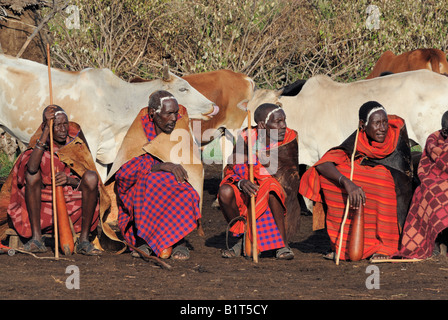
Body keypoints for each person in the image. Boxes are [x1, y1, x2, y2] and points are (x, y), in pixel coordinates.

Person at [299, 101, 414, 262]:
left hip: (392, 185)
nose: (383, 128)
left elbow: (404, 174)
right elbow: (324, 163)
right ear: (363, 125)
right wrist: (347, 182)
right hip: (361, 180)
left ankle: (385, 246)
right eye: (377, 123)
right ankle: (344, 244)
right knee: (327, 177)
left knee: (381, 179)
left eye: (384, 122)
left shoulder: (395, 136)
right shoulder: (358, 140)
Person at [6, 105, 109, 255]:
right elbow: (32, 168)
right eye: (57, 125)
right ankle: (36, 239)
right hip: (45, 201)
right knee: (31, 175)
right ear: (46, 126)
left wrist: (68, 180)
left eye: (65, 124)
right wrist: (47, 129)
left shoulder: (75, 144)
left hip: (73, 199)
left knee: (92, 177)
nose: (63, 129)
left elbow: (86, 177)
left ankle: (84, 241)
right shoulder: (41, 146)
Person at [114, 90, 201, 260]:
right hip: (142, 188)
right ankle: (144, 239)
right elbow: (123, 174)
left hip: (173, 186)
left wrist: (174, 170)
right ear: (153, 114)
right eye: (169, 113)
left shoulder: (180, 131)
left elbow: (193, 167)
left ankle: (178, 241)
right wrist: (160, 166)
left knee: (184, 189)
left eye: (176, 113)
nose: (174, 118)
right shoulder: (138, 135)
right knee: (152, 181)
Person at [218, 103, 299, 260]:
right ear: (262, 125)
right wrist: (242, 182)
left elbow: (285, 173)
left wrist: (254, 161)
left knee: (271, 186)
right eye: (278, 122)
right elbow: (233, 164)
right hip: (251, 187)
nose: (283, 126)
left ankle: (282, 244)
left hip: (279, 190)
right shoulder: (247, 135)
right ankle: (241, 235)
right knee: (225, 191)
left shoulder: (289, 137)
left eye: (284, 120)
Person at [396, 111, 448, 259]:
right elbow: (428, 170)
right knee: (426, 194)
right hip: (435, 181)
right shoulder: (434, 143)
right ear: (444, 131)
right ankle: (436, 241)